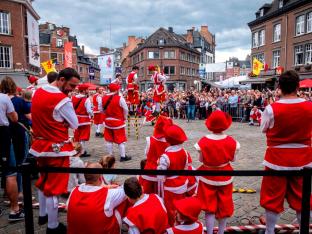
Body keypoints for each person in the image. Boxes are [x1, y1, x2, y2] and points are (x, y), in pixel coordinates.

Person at [260, 70, 312, 234]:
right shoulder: (309, 106)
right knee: (303, 197)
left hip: (276, 160)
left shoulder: (271, 109)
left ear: (279, 87)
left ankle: (269, 231)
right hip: (303, 160)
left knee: (272, 198)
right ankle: (303, 230)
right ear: (298, 87)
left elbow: (263, 129)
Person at [29, 68, 80, 233]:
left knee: (44, 180)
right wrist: (63, 122)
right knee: (55, 188)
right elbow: (75, 124)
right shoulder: (62, 100)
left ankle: (43, 214)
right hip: (57, 149)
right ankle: (52, 226)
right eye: (71, 85)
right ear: (62, 79)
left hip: (39, 146)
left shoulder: (38, 92)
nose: (72, 89)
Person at [194, 110, 240, 234]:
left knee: (209, 209)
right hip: (225, 176)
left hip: (207, 176)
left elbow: (201, 160)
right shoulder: (232, 141)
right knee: (224, 207)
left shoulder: (203, 141)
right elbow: (233, 160)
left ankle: (209, 232)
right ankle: (221, 232)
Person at [67, 162, 126, 234]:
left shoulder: (74, 191)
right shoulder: (108, 194)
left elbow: (67, 207)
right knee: (122, 202)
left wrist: (103, 187)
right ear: (101, 176)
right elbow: (126, 190)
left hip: (76, 230)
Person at [157, 124, 192, 226]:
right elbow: (186, 168)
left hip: (170, 187)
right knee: (181, 206)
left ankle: (173, 227)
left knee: (171, 209)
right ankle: (182, 223)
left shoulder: (165, 156)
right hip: (182, 184)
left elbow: (160, 175)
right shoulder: (185, 152)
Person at [0, 80, 22, 221]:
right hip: (2, 134)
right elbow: (14, 118)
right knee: (10, 172)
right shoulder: (4, 98)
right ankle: (14, 210)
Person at [140, 116, 172, 194]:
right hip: (164, 173)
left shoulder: (150, 140)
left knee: (147, 193)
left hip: (150, 172)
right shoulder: (171, 142)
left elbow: (146, 153)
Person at [102, 83, 131, 162]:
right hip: (118, 122)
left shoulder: (103, 97)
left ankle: (110, 156)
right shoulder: (120, 98)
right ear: (116, 90)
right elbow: (126, 109)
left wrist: (107, 115)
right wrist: (124, 117)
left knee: (109, 140)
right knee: (121, 140)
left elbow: (101, 109)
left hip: (108, 121)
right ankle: (123, 156)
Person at [72, 83, 93, 157]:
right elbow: (89, 110)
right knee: (83, 137)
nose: (88, 90)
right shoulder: (86, 99)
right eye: (87, 89)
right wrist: (92, 115)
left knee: (77, 136)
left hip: (76, 119)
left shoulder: (73, 98)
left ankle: (77, 150)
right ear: (84, 91)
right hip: (84, 120)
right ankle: (82, 152)